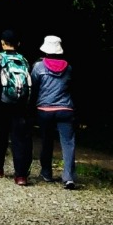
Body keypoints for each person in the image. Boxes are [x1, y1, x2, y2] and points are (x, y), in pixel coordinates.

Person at [0, 29, 34, 184]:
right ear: (18, 44)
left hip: (1, 104)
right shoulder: (24, 60)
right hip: (20, 105)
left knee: (0, 134)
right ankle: (21, 175)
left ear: (2, 42)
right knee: (20, 138)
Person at [32, 34, 77, 189]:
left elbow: (33, 87)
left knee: (46, 141)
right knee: (68, 143)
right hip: (65, 109)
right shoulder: (68, 68)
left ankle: (46, 172)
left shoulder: (38, 67)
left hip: (45, 110)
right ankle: (69, 177)